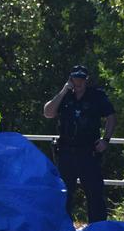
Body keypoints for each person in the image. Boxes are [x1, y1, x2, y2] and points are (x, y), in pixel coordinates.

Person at [43, 65, 117, 223]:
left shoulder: (96, 96)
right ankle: (63, 230)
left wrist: (106, 140)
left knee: (94, 193)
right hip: (66, 153)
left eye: (82, 79)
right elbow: (48, 113)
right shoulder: (65, 96)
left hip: (88, 152)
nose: (78, 82)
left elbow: (111, 117)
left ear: (86, 80)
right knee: (64, 194)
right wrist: (63, 91)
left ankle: (97, 230)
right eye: (75, 78)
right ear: (70, 79)